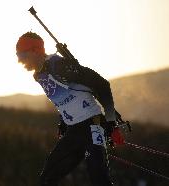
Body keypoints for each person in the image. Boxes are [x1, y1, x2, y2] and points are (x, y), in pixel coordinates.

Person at [16, 31, 124, 186]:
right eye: (18, 56)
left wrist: (111, 123)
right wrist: (64, 122)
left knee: (99, 180)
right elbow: (66, 99)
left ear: (35, 51)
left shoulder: (59, 66)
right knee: (46, 179)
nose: (20, 61)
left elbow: (102, 85)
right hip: (74, 131)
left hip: (93, 126)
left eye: (22, 55)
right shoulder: (38, 76)